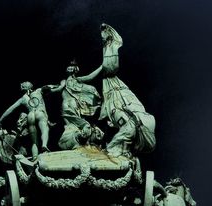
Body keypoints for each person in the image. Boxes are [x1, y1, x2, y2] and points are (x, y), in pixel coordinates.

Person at [77, 23, 156, 157]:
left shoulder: (110, 75)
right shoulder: (110, 77)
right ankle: (121, 148)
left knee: (121, 116)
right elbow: (96, 73)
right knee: (122, 117)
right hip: (118, 95)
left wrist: (78, 80)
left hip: (117, 95)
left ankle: (118, 149)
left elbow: (94, 74)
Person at [48, 60, 102, 150]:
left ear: (75, 69)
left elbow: (90, 76)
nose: (69, 67)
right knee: (79, 125)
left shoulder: (77, 79)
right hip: (69, 104)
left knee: (71, 126)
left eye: (71, 66)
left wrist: (101, 67)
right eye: (68, 66)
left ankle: (76, 144)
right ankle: (75, 144)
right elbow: (59, 88)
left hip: (73, 105)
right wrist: (49, 90)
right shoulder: (64, 81)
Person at [0, 81, 51, 157]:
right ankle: (44, 145)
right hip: (40, 113)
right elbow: (50, 87)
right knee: (44, 130)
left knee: (34, 141)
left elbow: (9, 110)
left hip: (30, 115)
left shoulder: (23, 99)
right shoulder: (38, 91)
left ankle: (35, 156)